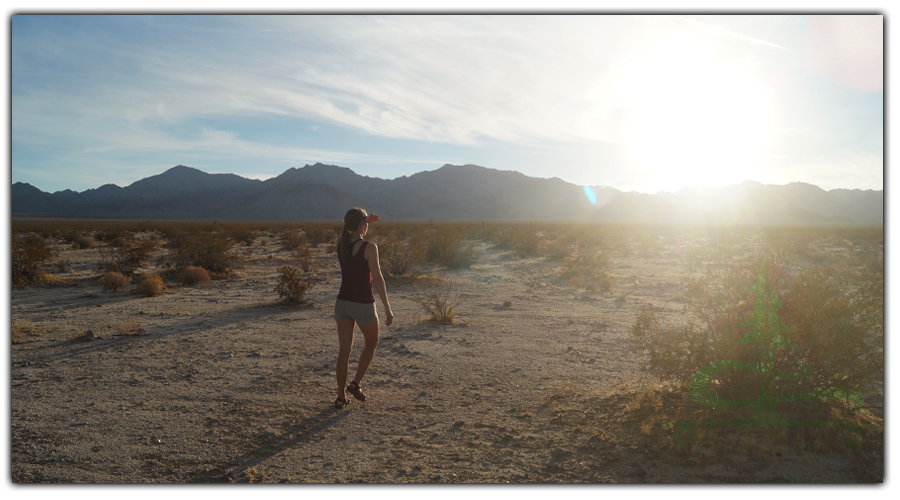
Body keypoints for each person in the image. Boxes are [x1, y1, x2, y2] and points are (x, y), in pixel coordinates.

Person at [333, 207, 393, 409]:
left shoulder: (340, 242)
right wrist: (387, 307)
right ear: (361, 225)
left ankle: (340, 398)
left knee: (344, 351)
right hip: (363, 304)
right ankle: (355, 384)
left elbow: (348, 229)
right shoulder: (369, 247)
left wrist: (364, 220)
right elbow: (378, 278)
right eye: (365, 223)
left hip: (342, 304)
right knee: (371, 343)